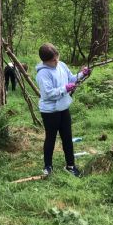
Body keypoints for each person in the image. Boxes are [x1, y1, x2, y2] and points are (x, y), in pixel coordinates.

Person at [35, 43, 91, 177]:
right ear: (45, 61)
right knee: (51, 138)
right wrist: (65, 89)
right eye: (52, 60)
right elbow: (48, 94)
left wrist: (82, 74)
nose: (56, 61)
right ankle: (48, 166)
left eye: (57, 57)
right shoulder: (43, 73)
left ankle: (70, 165)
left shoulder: (62, 65)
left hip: (63, 107)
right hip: (50, 111)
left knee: (67, 136)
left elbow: (71, 78)